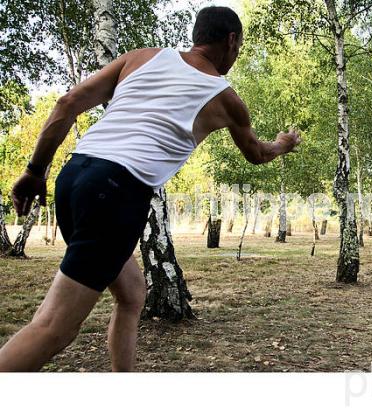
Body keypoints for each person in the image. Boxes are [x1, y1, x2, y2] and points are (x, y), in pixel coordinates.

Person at [0, 6, 300, 372]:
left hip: (74, 176)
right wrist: (283, 144)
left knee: (132, 293)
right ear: (232, 41)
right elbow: (257, 153)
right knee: (53, 330)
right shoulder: (226, 98)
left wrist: (35, 171)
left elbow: (68, 103)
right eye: (239, 47)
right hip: (115, 193)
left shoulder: (141, 58)